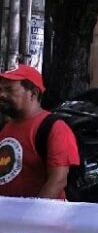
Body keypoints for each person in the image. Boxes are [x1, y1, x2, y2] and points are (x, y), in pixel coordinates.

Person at [0, 65, 80, 199]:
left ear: (33, 93)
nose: (2, 95)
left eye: (9, 89)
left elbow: (58, 180)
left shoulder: (55, 128)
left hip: (39, 218)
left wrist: (32, 216)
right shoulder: (5, 127)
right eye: (0, 90)